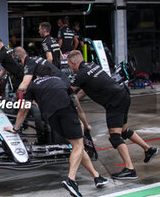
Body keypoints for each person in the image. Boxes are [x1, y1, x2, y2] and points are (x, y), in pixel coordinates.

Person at [4, 64, 108, 197]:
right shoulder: (60, 81)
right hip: (66, 111)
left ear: (37, 76)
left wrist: (15, 128)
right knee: (78, 145)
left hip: (51, 118)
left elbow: (24, 109)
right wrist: (84, 121)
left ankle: (97, 176)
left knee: (78, 147)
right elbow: (76, 102)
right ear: (50, 74)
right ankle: (71, 180)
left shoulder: (33, 85)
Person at [67, 50, 159, 180]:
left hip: (115, 103)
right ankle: (148, 149)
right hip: (123, 95)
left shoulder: (80, 74)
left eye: (69, 65)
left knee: (115, 137)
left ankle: (130, 169)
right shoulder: (93, 66)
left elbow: (68, 91)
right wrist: (76, 96)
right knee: (124, 130)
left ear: (73, 62)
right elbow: (84, 90)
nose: (70, 67)